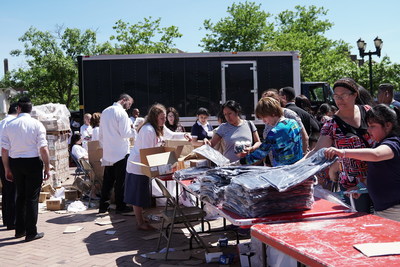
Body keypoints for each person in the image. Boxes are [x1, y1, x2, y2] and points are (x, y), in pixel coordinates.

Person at [305, 78, 375, 213]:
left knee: (383, 223)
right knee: (360, 224)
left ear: (355, 95)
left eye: (343, 95)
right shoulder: (332, 124)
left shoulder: (368, 112)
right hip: (352, 186)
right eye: (336, 96)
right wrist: (295, 168)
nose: (339, 100)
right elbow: (317, 150)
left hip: (379, 177)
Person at [324, 104, 400, 222]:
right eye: (368, 126)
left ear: (388, 125)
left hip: (395, 210)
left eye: (373, 126)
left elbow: (376, 155)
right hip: (384, 209)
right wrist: (360, 187)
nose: (368, 130)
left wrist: (342, 152)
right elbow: (377, 175)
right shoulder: (378, 143)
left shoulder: (394, 143)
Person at [125, 103, 191, 230]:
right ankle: (140, 223)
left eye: (165, 117)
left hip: (143, 164)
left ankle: (141, 219)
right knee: (137, 195)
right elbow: (148, 152)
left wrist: (185, 135)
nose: (164, 120)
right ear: (155, 117)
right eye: (162, 118)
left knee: (141, 193)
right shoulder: (149, 130)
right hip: (138, 166)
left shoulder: (158, 127)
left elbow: (171, 134)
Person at [1, 97, 50, 242]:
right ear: (31, 109)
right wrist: (47, 168)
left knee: (20, 196)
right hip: (33, 162)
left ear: (18, 108)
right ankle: (31, 232)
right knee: (32, 197)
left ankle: (19, 230)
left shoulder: (9, 125)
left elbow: (4, 150)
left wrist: (6, 168)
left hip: (15, 162)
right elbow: (43, 148)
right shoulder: (37, 124)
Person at [98, 94, 136, 214]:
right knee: (121, 181)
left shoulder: (105, 111)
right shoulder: (122, 113)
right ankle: (120, 206)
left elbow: (101, 133)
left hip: (108, 151)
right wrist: (134, 130)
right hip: (120, 152)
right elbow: (125, 133)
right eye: (129, 104)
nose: (129, 107)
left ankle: (103, 206)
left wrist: (104, 147)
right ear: (124, 100)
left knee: (108, 181)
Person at [238, 97, 303, 167]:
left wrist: (239, 162)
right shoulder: (293, 123)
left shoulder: (275, 132)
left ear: (272, 113)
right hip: (298, 167)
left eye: (264, 117)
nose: (264, 121)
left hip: (284, 171)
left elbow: (259, 154)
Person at [262, 90, 309, 155]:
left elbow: (304, 136)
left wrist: (302, 155)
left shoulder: (289, 114)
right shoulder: (269, 117)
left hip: (291, 159)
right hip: (275, 161)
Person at [0, 103, 18, 230]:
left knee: (6, 190)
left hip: (0, 158)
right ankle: (13, 221)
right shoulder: (14, 123)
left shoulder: (1, 122)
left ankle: (6, 219)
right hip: (10, 157)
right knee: (14, 190)